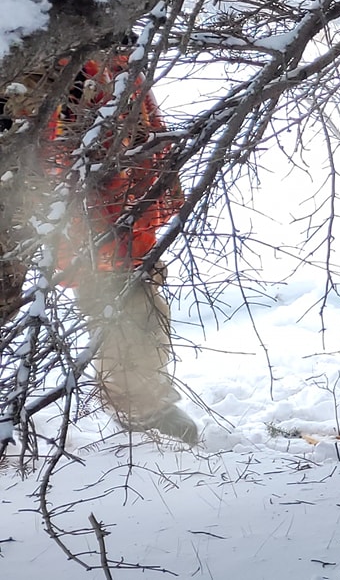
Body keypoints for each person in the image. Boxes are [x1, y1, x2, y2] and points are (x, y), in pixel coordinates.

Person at [1, 43, 199, 444]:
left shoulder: (113, 52)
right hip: (18, 125)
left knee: (125, 272)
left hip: (95, 90)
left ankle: (141, 398)